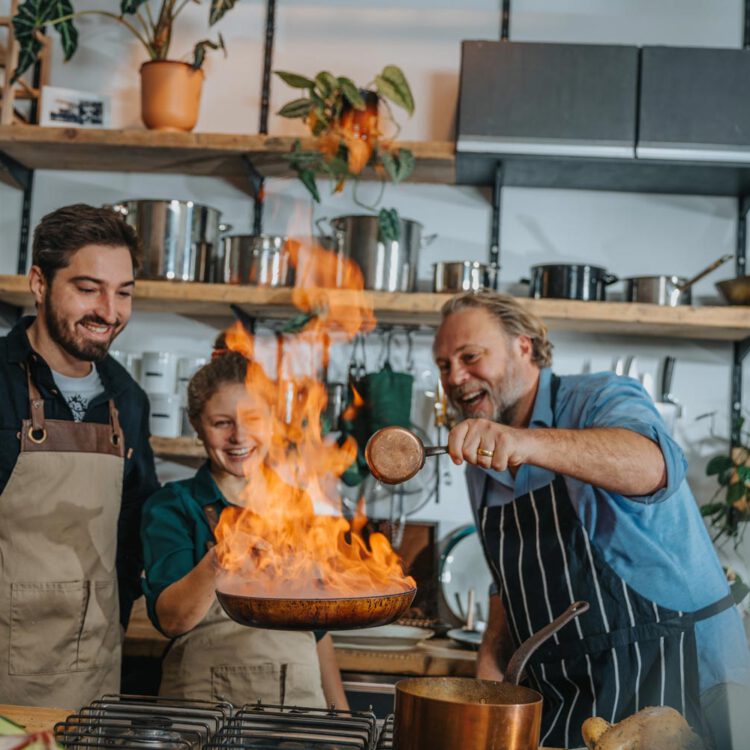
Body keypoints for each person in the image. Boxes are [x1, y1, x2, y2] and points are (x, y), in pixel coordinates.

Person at [432, 290, 750, 750]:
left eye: (470, 356)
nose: (456, 377)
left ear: (523, 346)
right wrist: (490, 665)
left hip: (675, 673)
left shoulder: (600, 397)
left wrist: (523, 443)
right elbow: (508, 581)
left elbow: (653, 467)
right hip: (570, 695)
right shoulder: (482, 456)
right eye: (444, 365)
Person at [0, 204, 159, 707]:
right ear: (40, 283)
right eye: (88, 288)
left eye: (124, 292)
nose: (109, 312)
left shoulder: (126, 399)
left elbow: (132, 530)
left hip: (91, 678)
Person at [141, 351, 349, 708]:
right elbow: (173, 620)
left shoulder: (297, 506)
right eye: (222, 423)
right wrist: (220, 560)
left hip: (299, 704)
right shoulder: (173, 507)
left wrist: (342, 717)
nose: (239, 437)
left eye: (253, 418)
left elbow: (317, 628)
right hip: (203, 704)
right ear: (195, 424)